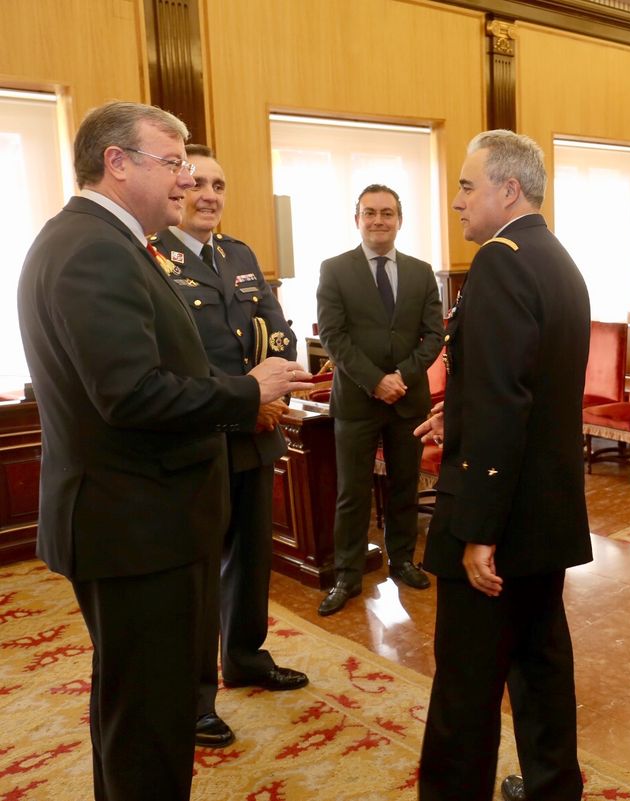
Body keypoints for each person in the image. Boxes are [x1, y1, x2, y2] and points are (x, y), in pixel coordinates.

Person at [16, 100, 310, 801]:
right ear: (117, 163)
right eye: (172, 163)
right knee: (150, 717)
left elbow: (156, 370)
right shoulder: (92, 248)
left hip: (139, 519)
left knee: (135, 706)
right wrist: (246, 389)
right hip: (136, 526)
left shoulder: (100, 240)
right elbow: (134, 395)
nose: (184, 181)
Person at [416, 130, 591, 801]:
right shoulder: (556, 259)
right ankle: (554, 787)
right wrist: (453, 417)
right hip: (546, 512)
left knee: (466, 688)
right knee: (542, 666)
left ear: (507, 189)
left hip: (499, 519)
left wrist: (478, 529)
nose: (457, 200)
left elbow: (505, 399)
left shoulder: (501, 262)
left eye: (466, 185)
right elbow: (525, 392)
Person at [151, 144, 309, 749]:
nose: (208, 194)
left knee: (251, 560)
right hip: (198, 437)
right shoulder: (151, 257)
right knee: (197, 573)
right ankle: (194, 698)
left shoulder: (238, 255)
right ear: (176, 188)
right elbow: (171, 363)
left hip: (255, 435)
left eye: (218, 183)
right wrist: (251, 395)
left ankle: (245, 655)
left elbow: (281, 330)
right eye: (195, 182)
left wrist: (270, 390)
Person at [316, 184, 444, 616]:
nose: (378, 220)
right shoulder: (334, 269)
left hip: (407, 400)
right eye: (369, 213)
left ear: (399, 220)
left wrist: (400, 378)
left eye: (387, 213)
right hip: (356, 400)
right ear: (357, 219)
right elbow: (333, 337)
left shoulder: (421, 272)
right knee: (352, 493)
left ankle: (404, 560)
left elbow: (434, 336)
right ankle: (348, 575)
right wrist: (376, 382)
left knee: (404, 486)